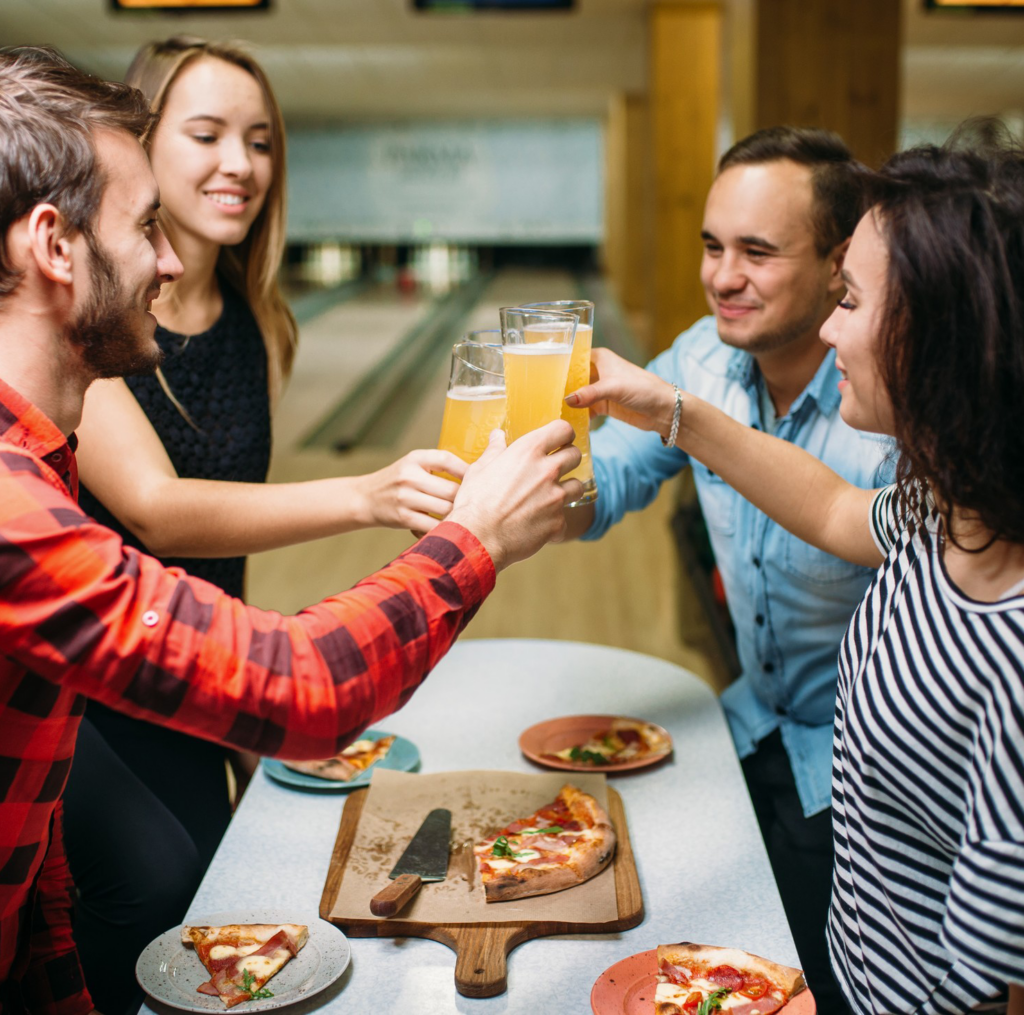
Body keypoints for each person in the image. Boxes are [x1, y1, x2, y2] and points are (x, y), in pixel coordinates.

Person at [0, 45, 581, 1014]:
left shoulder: (43, 459)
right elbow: (306, 683)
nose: (175, 258)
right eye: (147, 226)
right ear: (57, 248)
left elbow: (41, 873)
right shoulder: (13, 507)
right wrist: (471, 537)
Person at [569, 134, 1024, 1013]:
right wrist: (662, 413)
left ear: (940, 335)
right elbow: (829, 509)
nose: (828, 328)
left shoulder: (1009, 646)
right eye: (713, 245)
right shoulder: (938, 511)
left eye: (849, 299)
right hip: (848, 963)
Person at [565, 125, 889, 1010]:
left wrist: (676, 412)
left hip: (866, 780)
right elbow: (617, 481)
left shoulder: (895, 411)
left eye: (757, 250)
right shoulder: (700, 356)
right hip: (750, 726)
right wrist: (522, 499)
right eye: (713, 245)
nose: (722, 275)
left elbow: (845, 516)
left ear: (838, 265)